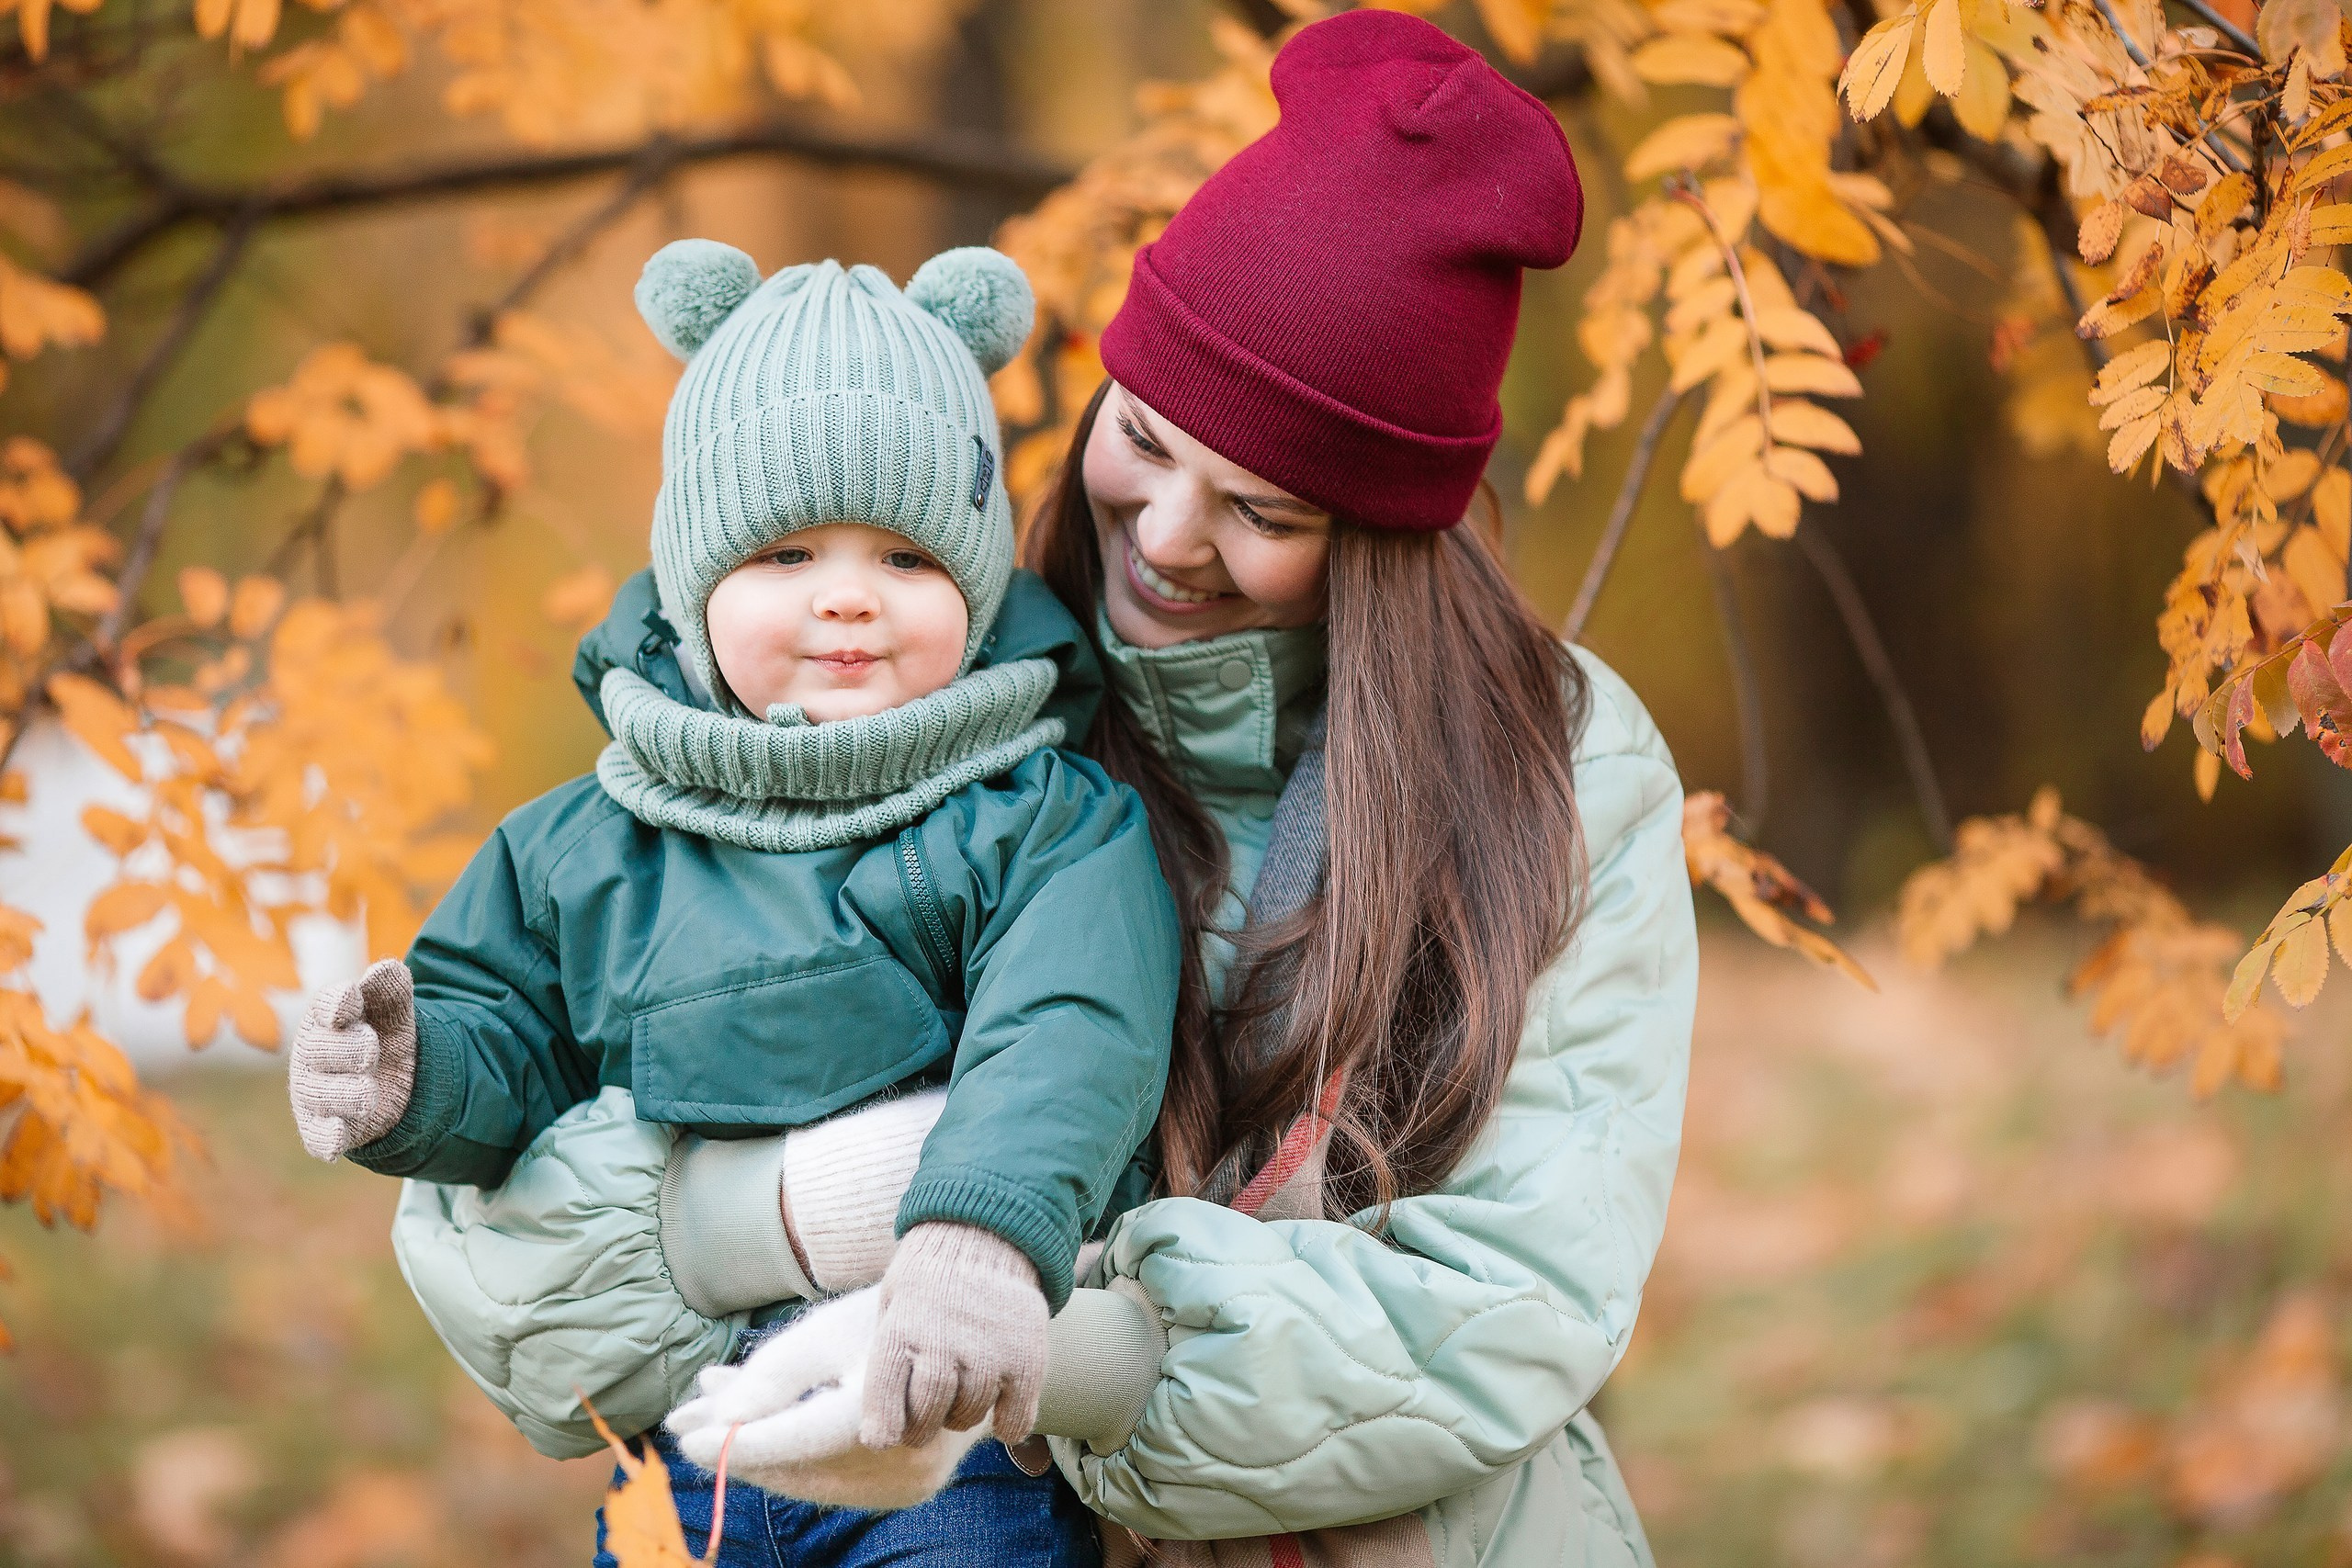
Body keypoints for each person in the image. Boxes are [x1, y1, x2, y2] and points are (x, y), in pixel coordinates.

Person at [656, 11, 1698, 1567]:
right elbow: (555, 1172)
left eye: (1266, 506)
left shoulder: (1559, 767)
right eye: (1143, 438)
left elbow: (1518, 1295)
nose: (1166, 536)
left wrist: (1062, 1353)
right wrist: (793, 1221)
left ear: (1384, 534)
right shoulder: (931, 683)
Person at [279, 240, 1181, 1565]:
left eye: (908, 559)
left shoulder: (1036, 820)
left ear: (978, 591)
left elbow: (1067, 1038)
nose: (845, 595)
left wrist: (983, 1243)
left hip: (938, 1420)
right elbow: (507, 1028)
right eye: (786, 551)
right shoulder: (595, 844)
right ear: (698, 585)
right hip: (690, 1428)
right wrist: (412, 1078)